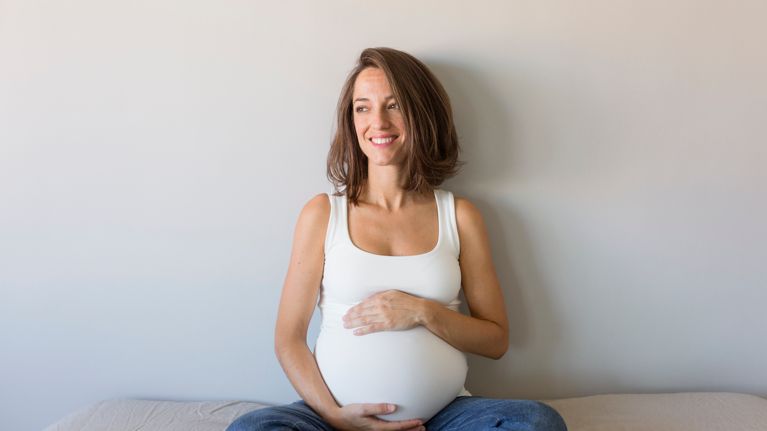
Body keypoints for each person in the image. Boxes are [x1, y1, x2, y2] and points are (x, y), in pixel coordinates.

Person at [227, 47, 567, 431]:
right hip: (335, 419)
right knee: (252, 429)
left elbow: (496, 340)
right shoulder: (323, 214)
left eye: (394, 106)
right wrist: (335, 416)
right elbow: (288, 339)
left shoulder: (459, 216)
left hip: (441, 418)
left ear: (420, 114)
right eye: (362, 107)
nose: (378, 122)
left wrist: (423, 311)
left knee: (538, 422)